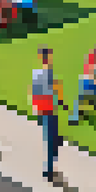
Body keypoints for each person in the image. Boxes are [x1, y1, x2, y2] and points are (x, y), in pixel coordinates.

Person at [31, 47, 63, 183]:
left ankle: (50, 166)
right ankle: (49, 169)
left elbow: (35, 92)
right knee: (51, 140)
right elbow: (51, 92)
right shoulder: (45, 74)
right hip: (48, 110)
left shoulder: (39, 74)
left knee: (52, 139)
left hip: (45, 110)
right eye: (49, 56)